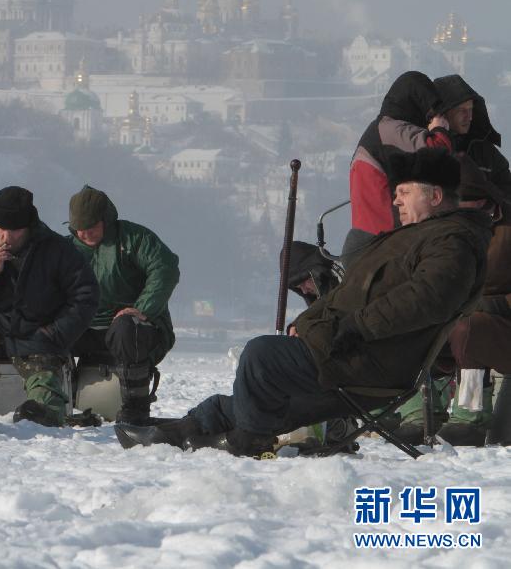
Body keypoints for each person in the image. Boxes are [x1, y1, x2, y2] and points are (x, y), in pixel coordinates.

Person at [116, 148, 492, 456]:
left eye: (405, 192)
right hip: (350, 351)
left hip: (368, 362)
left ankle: (246, 441)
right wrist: (312, 321)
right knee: (250, 394)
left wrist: (354, 327)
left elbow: (425, 299)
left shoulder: (451, 243)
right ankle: (185, 430)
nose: (395, 199)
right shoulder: (425, 236)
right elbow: (357, 292)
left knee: (260, 357)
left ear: (435, 196)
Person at [392, 155, 511, 445]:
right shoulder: (437, 234)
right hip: (457, 324)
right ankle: (419, 412)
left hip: (498, 325)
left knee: (466, 327)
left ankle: (470, 416)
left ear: (482, 201)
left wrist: (492, 304)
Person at [0, 186, 99, 427]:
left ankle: (43, 411)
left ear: (28, 228)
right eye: (0, 229)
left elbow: (85, 295)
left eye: (14, 231)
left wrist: (56, 333)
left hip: (36, 334)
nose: (5, 237)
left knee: (43, 376)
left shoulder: (57, 250)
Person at [67, 186, 180, 425]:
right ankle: (54, 401)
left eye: (91, 228)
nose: (84, 234)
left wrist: (142, 309)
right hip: (85, 329)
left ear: (105, 220)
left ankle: (135, 407)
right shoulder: (66, 249)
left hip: (137, 329)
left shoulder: (134, 239)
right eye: (79, 230)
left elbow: (164, 270)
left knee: (127, 328)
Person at [345, 71, 453, 258]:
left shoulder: (379, 130)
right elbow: (437, 151)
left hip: (370, 234)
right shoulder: (391, 130)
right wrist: (440, 126)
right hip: (387, 236)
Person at [434, 74, 511, 197]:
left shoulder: (486, 152)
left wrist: (489, 205)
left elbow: (507, 191)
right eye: (462, 110)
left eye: (470, 109)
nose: (469, 117)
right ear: (444, 113)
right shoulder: (423, 146)